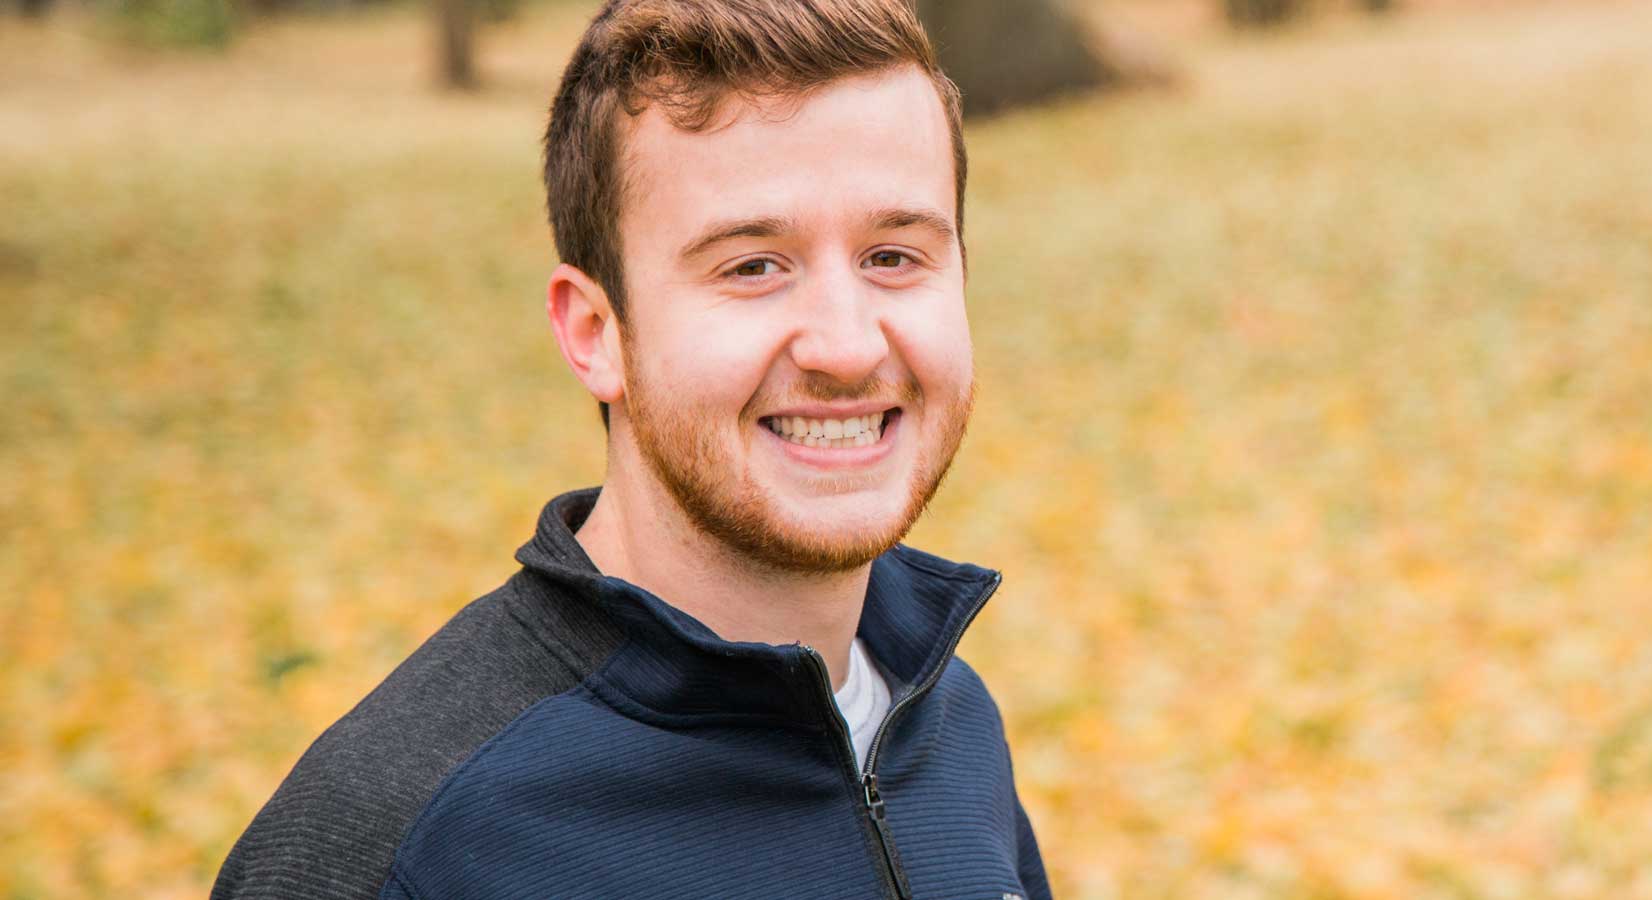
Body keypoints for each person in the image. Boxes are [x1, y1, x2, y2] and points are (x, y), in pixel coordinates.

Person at [211, 0, 1048, 896]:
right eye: (753, 266)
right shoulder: (399, 846)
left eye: (894, 256)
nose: (846, 347)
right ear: (596, 332)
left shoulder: (949, 725)